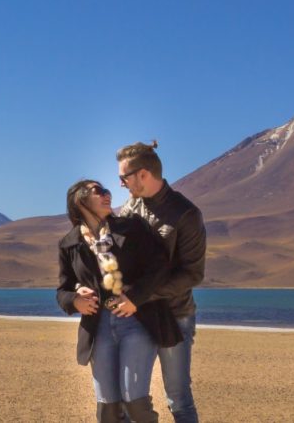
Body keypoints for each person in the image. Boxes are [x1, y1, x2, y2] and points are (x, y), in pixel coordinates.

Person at [56, 180, 182, 423]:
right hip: (98, 328)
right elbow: (62, 290)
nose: (107, 195)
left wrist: (134, 297)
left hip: (136, 322)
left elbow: (160, 267)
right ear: (79, 201)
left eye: (107, 191)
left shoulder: (131, 228)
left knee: (135, 402)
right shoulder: (69, 244)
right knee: (108, 409)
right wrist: (75, 300)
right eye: (98, 192)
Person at [111, 141, 206, 423]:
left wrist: (140, 296)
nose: (121, 184)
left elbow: (192, 274)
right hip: (136, 317)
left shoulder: (186, 214)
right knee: (130, 398)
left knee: (178, 399)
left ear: (143, 174)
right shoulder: (129, 209)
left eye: (124, 178)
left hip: (174, 315)